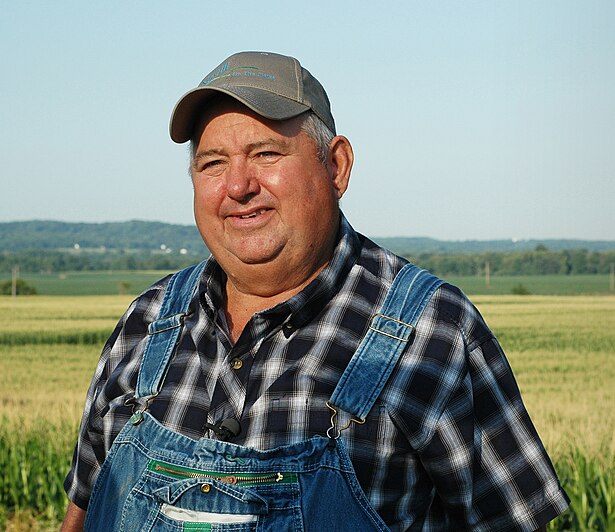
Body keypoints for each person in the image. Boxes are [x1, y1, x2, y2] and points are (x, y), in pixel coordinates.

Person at [61, 51, 570, 531]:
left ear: (337, 166)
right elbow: (82, 513)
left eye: (265, 153)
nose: (238, 186)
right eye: (213, 163)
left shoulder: (433, 331)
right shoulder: (147, 322)